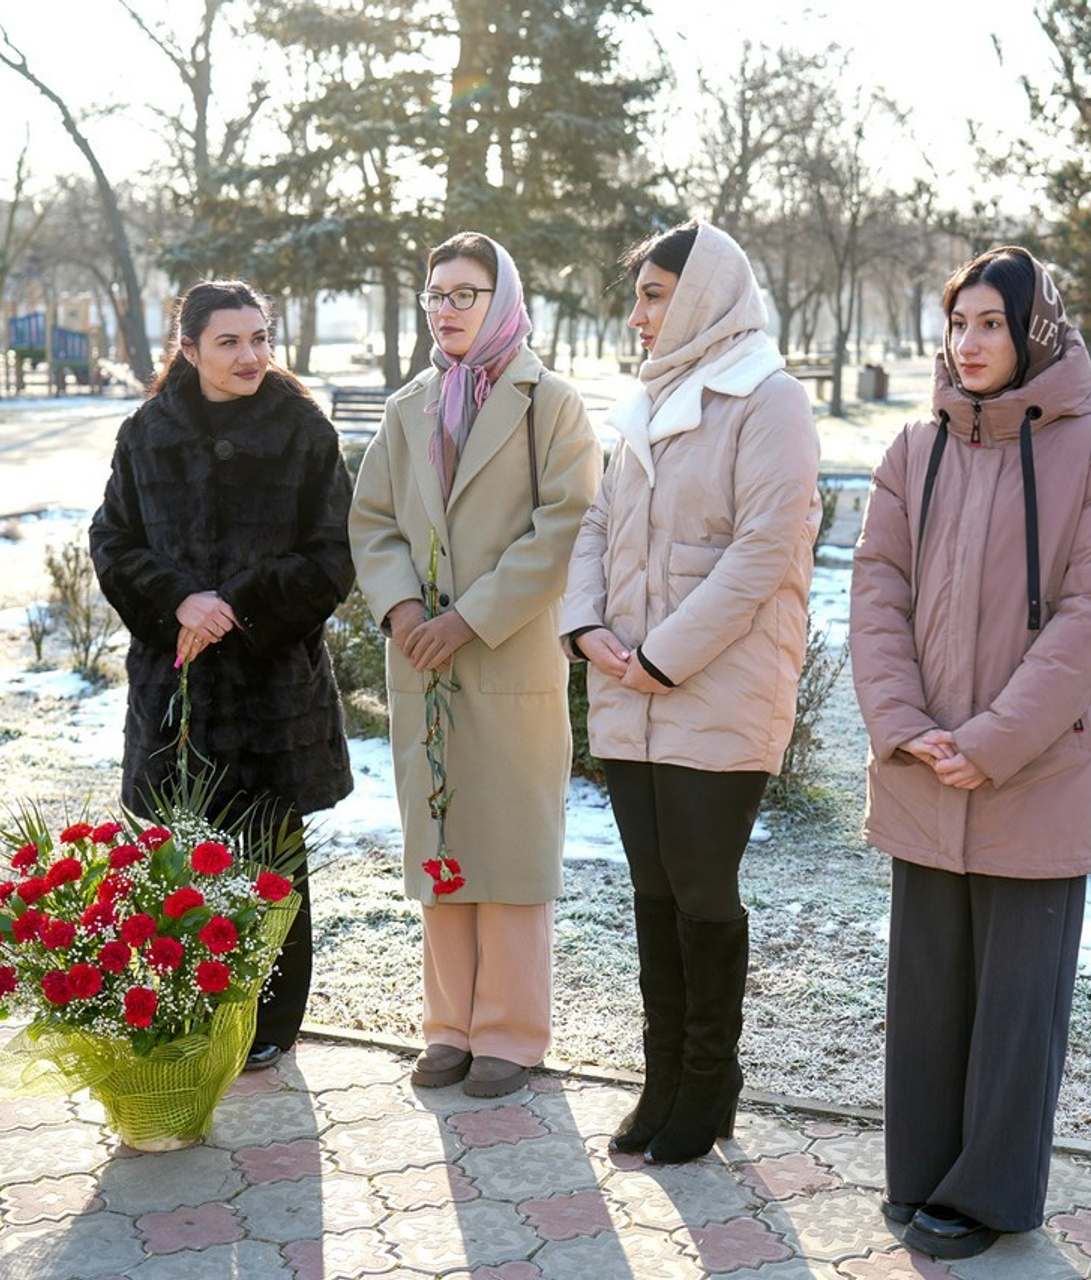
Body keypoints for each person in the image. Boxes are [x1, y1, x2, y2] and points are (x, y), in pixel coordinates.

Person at [849, 246, 1091, 1260]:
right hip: (924, 764)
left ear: (1033, 333)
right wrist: (903, 722)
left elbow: (1090, 618)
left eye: (987, 324)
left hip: (1035, 771)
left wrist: (991, 742)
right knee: (927, 988)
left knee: (1018, 1003)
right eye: (956, 322)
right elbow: (875, 591)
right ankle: (921, 1170)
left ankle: (990, 1191)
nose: (965, 343)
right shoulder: (911, 449)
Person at [562, 219, 822, 1164]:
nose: (637, 316)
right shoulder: (646, 402)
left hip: (713, 691)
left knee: (703, 892)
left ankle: (710, 1083)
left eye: (655, 295)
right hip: (627, 688)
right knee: (652, 893)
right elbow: (595, 524)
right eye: (639, 296)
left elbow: (764, 551)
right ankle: (664, 1078)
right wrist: (585, 626)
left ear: (705, 295)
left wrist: (660, 655)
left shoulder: (770, 398)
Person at [349, 232, 601, 1099]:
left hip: (506, 654)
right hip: (424, 658)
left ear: (501, 301)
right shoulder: (408, 405)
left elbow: (564, 527)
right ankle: (449, 1027)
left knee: (513, 847)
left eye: (466, 294)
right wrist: (405, 610)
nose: (447, 310)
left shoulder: (550, 402)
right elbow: (373, 521)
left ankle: (511, 1034)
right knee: (443, 845)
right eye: (437, 294)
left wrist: (470, 617)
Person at [90, 279, 355, 1072]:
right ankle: (188, 1005)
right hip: (176, 686)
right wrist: (178, 600)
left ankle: (272, 1020)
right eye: (230, 342)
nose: (251, 356)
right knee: (176, 857)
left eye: (261, 339)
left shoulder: (303, 430)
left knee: (270, 861)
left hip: (271, 690)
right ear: (190, 348)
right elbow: (110, 538)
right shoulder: (146, 433)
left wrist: (234, 605)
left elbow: (332, 556)